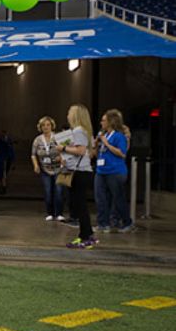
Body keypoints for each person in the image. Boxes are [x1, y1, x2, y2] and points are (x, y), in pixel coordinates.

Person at [56, 104, 97, 249]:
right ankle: (86, 234)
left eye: (70, 112)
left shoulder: (79, 130)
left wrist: (63, 148)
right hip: (83, 171)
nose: (67, 114)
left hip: (79, 172)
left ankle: (86, 237)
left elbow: (80, 150)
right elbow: (89, 153)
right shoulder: (86, 131)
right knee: (79, 205)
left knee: (79, 206)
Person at [93, 109, 134, 233]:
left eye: (104, 120)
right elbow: (96, 154)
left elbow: (122, 153)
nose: (101, 123)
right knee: (100, 197)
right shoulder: (103, 135)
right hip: (101, 170)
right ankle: (103, 223)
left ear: (111, 122)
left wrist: (107, 144)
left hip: (115, 171)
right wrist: (96, 144)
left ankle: (127, 222)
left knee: (118, 198)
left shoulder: (118, 136)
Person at [31, 116, 65, 221]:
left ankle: (59, 213)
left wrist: (62, 158)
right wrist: (36, 165)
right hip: (45, 169)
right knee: (48, 191)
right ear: (40, 127)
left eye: (48, 125)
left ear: (52, 126)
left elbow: (65, 149)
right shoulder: (37, 140)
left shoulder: (58, 137)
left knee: (59, 191)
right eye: (43, 125)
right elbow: (33, 154)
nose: (46, 127)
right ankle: (50, 213)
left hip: (58, 169)